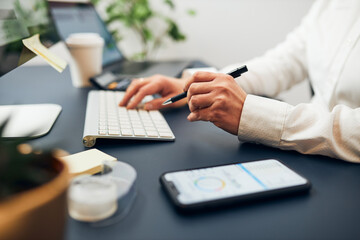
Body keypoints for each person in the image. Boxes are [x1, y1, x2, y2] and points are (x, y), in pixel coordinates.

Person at [119, 0, 360, 163]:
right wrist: (199, 83)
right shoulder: (330, 5)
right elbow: (282, 63)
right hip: (309, 155)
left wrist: (253, 115)